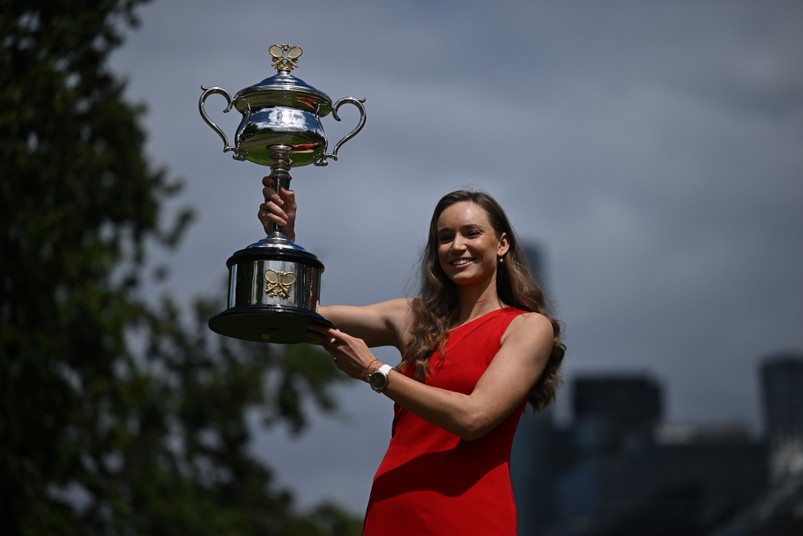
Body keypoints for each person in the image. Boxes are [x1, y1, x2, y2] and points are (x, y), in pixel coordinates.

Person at [259, 177, 566, 535]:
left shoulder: (527, 327)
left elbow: (474, 418)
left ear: (502, 244)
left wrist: (376, 372)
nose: (457, 246)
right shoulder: (413, 318)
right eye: (445, 237)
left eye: (471, 233)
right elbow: (303, 315)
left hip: (469, 517)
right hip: (393, 509)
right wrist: (283, 241)